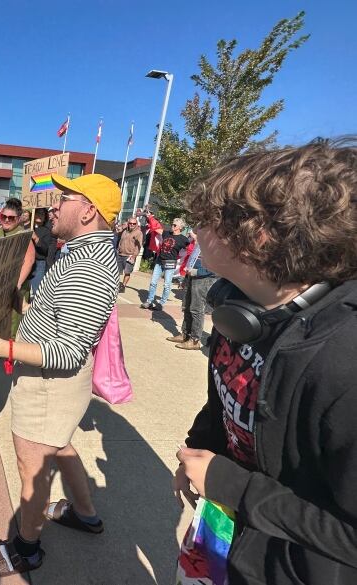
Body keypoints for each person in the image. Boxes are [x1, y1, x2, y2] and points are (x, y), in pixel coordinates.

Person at [173, 139, 357, 585]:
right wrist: (202, 446)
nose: (196, 229)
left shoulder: (343, 361)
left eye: (209, 219)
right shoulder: (237, 308)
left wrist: (232, 485)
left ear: (260, 233)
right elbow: (229, 393)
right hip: (227, 533)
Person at [0, 173, 120, 577]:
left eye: (64, 198)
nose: (53, 204)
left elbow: (67, 352)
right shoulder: (81, 252)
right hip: (56, 388)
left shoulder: (87, 264)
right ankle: (85, 514)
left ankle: (25, 548)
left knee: (32, 466)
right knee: (60, 444)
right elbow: (63, 317)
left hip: (50, 385)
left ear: (88, 211)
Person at [166, 230, 216, 350]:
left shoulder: (215, 243)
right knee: (187, 307)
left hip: (203, 279)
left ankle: (194, 340)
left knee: (196, 309)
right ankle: (185, 334)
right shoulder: (201, 242)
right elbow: (192, 258)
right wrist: (186, 275)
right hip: (191, 276)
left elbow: (215, 266)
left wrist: (198, 272)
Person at [0, 198, 35, 287]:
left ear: (19, 219)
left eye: (11, 218)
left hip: (10, 289)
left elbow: (29, 260)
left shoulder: (22, 235)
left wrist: (17, 285)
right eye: (3, 216)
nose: (7, 220)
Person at [140, 217, 189, 310]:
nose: (172, 226)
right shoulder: (166, 233)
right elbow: (155, 227)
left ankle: (161, 303)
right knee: (153, 282)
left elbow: (190, 249)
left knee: (167, 285)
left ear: (180, 227)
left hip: (170, 264)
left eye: (174, 225)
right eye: (172, 224)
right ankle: (149, 301)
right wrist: (150, 217)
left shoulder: (184, 239)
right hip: (159, 261)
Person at [29, 208, 55, 296]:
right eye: (38, 213)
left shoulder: (47, 231)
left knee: (37, 290)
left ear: (45, 218)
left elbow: (45, 249)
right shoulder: (29, 227)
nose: (40, 216)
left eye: (42, 214)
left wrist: (36, 239)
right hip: (27, 262)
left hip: (38, 263)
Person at [116, 217, 143, 292]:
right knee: (117, 271)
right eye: (130, 223)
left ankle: (123, 286)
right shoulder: (125, 231)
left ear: (136, 224)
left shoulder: (138, 233)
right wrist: (123, 226)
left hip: (130, 256)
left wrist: (134, 256)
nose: (132, 225)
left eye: (134, 224)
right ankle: (116, 284)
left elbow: (138, 246)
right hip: (120, 254)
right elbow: (118, 232)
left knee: (127, 272)